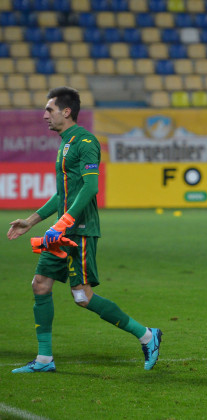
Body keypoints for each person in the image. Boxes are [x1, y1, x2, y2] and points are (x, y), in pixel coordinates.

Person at [6, 87, 162, 373]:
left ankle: (148, 336)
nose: (44, 116)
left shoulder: (86, 141)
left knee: (82, 296)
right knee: (40, 284)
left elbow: (91, 188)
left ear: (66, 112)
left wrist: (64, 223)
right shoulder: (65, 143)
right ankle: (44, 360)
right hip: (61, 231)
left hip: (80, 231)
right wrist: (32, 221)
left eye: (49, 110)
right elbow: (62, 194)